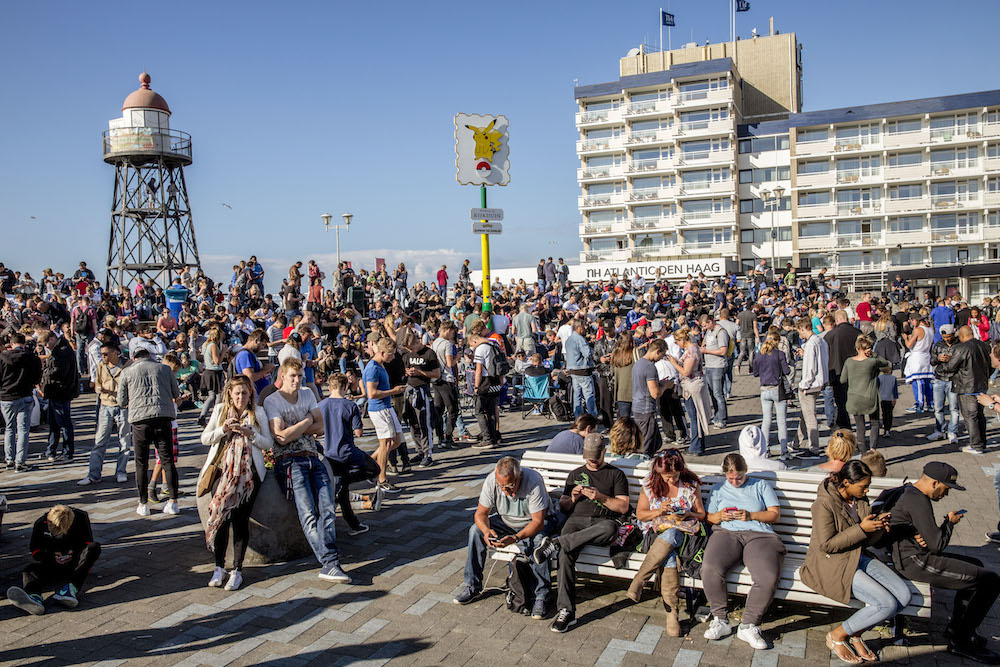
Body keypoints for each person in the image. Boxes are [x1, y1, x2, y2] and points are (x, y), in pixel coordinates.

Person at [884, 462, 1000, 663]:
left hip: (913, 556)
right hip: (916, 562)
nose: (946, 495)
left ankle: (959, 628)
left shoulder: (909, 491)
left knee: (976, 564)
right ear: (935, 483)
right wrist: (949, 523)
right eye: (946, 489)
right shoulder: (917, 499)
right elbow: (937, 544)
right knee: (990, 582)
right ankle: (960, 642)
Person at [801, 461, 908, 664]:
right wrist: (862, 529)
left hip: (858, 556)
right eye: (863, 486)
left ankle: (856, 632)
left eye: (867, 486)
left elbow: (867, 539)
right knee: (886, 603)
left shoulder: (859, 498)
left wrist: (877, 527)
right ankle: (837, 635)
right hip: (832, 564)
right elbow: (826, 545)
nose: (867, 490)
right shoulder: (823, 504)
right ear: (847, 482)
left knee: (903, 595)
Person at [265, 358, 351, 583]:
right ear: (282, 376)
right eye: (292, 376)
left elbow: (321, 426)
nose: (297, 380)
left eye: (300, 376)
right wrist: (306, 421)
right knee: (308, 514)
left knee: (329, 509)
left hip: (313, 456)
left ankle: (330, 561)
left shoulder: (307, 394)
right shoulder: (272, 401)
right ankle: (330, 562)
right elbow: (281, 437)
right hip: (289, 461)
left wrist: (295, 428)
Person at [532, 433, 630, 633]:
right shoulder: (575, 474)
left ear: (604, 452)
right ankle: (566, 611)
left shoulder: (616, 474)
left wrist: (601, 497)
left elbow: (623, 507)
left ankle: (557, 542)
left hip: (602, 523)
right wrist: (573, 498)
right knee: (565, 555)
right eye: (588, 457)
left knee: (610, 528)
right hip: (576, 522)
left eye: (596, 456)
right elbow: (564, 507)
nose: (592, 461)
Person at [702, 453, 785, 650]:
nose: (735, 481)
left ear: (745, 471)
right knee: (709, 568)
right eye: (730, 478)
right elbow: (708, 517)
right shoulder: (719, 488)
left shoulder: (760, 485)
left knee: (767, 576)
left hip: (759, 534)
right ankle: (720, 619)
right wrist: (719, 516)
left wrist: (751, 515)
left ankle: (748, 625)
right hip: (727, 533)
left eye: (739, 477)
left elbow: (775, 515)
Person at [455, 456, 555, 620]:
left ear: (520, 475)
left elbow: (538, 522)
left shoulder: (533, 481)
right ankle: (472, 585)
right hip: (506, 520)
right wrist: (486, 530)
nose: (506, 491)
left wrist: (515, 538)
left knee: (538, 542)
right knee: (475, 531)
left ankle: (541, 595)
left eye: (510, 486)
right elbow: (481, 514)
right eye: (502, 486)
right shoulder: (491, 481)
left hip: (534, 522)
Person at [199, 375, 272, 591]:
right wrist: (223, 430)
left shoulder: (257, 413)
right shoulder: (221, 409)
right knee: (221, 517)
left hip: (249, 475)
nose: (240, 397)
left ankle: (237, 570)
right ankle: (219, 567)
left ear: (250, 395)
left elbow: (268, 443)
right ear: (230, 393)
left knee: (240, 520)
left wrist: (251, 435)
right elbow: (205, 438)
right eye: (237, 393)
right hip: (222, 473)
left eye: (245, 393)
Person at [626, 449, 705, 636]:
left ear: (681, 470)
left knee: (672, 536)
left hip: (686, 535)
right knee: (669, 546)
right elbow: (641, 515)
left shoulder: (690, 484)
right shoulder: (650, 484)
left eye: (673, 476)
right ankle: (672, 616)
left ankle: (639, 580)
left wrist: (687, 513)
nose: (670, 480)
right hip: (655, 533)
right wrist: (659, 511)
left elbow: (702, 514)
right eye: (666, 477)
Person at [318, 373, 384, 536]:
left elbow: (316, 431)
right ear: (346, 387)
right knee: (374, 470)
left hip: (330, 453)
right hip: (348, 451)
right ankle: (353, 522)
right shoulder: (350, 405)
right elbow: (359, 432)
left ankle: (354, 524)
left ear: (331, 387)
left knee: (343, 491)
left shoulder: (321, 405)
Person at [6, 505, 100, 615]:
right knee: (29, 570)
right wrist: (52, 556)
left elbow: (87, 542)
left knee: (94, 547)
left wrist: (73, 553)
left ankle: (71, 589)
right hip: (52, 563)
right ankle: (34, 597)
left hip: (76, 563)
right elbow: (35, 551)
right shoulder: (40, 524)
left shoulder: (81, 517)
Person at [118, 348, 180, 516]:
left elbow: (121, 400)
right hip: (163, 417)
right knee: (167, 461)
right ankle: (173, 502)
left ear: (134, 358)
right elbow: (176, 393)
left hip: (140, 421)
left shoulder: (127, 372)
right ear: (151, 357)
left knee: (141, 463)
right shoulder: (165, 369)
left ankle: (143, 503)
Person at [79, 342, 131, 485]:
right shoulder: (101, 365)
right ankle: (93, 474)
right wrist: (99, 389)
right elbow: (97, 382)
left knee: (124, 441)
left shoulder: (127, 365)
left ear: (115, 353)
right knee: (100, 441)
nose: (103, 357)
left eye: (106, 354)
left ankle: (121, 471)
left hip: (123, 406)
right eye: (102, 354)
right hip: (105, 404)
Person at [935, 325, 991, 454]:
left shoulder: (962, 348)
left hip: (967, 386)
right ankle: (982, 443)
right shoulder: (983, 345)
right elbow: (990, 365)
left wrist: (942, 366)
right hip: (981, 385)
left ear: (962, 336)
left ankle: (975, 445)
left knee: (970, 416)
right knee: (980, 415)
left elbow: (951, 367)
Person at [363, 337, 405, 493]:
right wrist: (393, 391)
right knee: (386, 444)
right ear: (382, 352)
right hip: (379, 409)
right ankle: (381, 479)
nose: (393, 357)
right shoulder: (373, 368)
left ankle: (369, 464)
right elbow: (372, 393)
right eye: (391, 354)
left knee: (396, 441)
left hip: (386, 407)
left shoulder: (380, 365)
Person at [841, 336, 890, 454]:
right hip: (870, 397)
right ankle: (873, 449)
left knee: (860, 427)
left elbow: (842, 380)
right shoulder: (872, 362)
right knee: (874, 423)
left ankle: (863, 453)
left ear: (857, 348)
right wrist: (874, 354)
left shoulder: (849, 361)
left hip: (854, 398)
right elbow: (885, 363)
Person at [0, 333, 42, 472]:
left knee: (9, 428)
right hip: (25, 395)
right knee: (23, 429)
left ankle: (9, 459)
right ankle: (20, 461)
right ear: (24, 344)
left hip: (7, 397)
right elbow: (37, 378)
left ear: (11, 344)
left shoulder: (2, 357)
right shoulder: (32, 358)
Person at [666, 329, 711, 457]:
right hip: (693, 385)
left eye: (677, 342)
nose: (676, 344)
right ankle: (698, 445)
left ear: (682, 340)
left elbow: (686, 371)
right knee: (695, 416)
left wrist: (674, 364)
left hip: (692, 387)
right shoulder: (693, 348)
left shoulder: (691, 351)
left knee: (694, 417)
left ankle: (696, 447)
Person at [400, 328, 440, 467]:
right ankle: (419, 451)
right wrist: (407, 372)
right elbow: (403, 369)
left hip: (422, 390)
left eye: (412, 348)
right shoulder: (407, 355)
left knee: (425, 423)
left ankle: (428, 453)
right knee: (412, 423)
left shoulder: (429, 353)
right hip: (409, 390)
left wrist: (420, 372)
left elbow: (436, 374)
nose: (411, 351)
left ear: (418, 342)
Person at [39, 330, 79, 462]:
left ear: (51, 339)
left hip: (60, 391)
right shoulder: (61, 349)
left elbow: (58, 371)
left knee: (63, 423)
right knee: (54, 423)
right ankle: (51, 450)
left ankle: (67, 453)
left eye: (46, 344)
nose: (47, 347)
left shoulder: (62, 351)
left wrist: (46, 373)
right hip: (55, 391)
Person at [751, 331, 792, 460]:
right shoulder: (779, 354)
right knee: (781, 421)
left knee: (766, 420)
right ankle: (784, 451)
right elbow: (787, 370)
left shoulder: (759, 355)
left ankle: (765, 449)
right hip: (777, 389)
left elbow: (755, 373)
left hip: (764, 390)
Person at [794, 316, 829, 456]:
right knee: (805, 414)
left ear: (803, 328)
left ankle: (813, 447)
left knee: (809, 417)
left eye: (800, 331)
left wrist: (803, 385)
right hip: (820, 381)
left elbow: (810, 368)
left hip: (810, 384)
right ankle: (796, 442)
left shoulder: (810, 344)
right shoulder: (821, 340)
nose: (800, 334)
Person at [631, 338, 670, 456]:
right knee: (646, 445)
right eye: (662, 355)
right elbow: (655, 393)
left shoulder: (638, 363)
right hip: (646, 410)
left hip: (638, 407)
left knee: (656, 441)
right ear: (657, 351)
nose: (661, 359)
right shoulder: (649, 367)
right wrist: (666, 385)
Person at [826, 310, 863, 428]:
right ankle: (859, 428)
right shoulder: (858, 333)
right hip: (856, 372)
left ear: (836, 320)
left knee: (841, 403)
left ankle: (845, 427)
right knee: (856, 402)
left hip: (837, 372)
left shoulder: (830, 335)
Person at [699, 314, 730, 428]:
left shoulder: (721, 332)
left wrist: (706, 351)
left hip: (718, 366)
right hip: (708, 365)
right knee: (712, 393)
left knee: (718, 393)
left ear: (711, 321)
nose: (705, 328)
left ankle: (722, 419)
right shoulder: (709, 332)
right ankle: (717, 415)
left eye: (706, 325)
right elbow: (705, 344)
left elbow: (723, 351)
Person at [564, 320, 597, 418]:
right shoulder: (580, 339)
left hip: (573, 370)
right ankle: (592, 416)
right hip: (583, 369)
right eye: (583, 328)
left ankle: (578, 416)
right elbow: (587, 354)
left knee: (577, 395)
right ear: (578, 328)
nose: (584, 330)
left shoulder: (569, 339)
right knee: (589, 394)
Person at [903, 314, 935, 414]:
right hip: (926, 355)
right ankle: (930, 404)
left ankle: (919, 404)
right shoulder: (930, 328)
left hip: (917, 357)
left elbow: (909, 345)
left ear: (915, 320)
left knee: (918, 382)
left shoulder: (918, 330)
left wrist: (905, 338)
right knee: (928, 381)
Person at [198, 326, 226, 427]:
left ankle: (203, 416)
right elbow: (217, 361)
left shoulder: (206, 344)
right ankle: (215, 417)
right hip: (214, 372)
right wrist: (223, 352)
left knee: (212, 396)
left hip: (208, 371)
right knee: (217, 395)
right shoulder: (213, 345)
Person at [234, 330, 274, 398]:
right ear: (256, 341)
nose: (262, 348)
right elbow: (249, 377)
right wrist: (265, 370)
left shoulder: (250, 354)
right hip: (254, 396)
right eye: (262, 345)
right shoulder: (245, 355)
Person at [877, 365, 898, 438]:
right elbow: (895, 390)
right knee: (889, 414)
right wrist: (895, 398)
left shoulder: (879, 378)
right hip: (890, 398)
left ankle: (885, 426)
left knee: (884, 413)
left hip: (882, 398)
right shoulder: (893, 378)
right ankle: (888, 428)